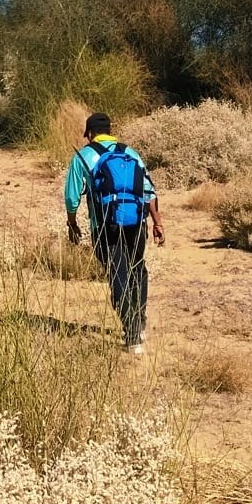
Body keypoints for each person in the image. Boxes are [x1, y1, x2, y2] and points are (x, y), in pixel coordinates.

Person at [64, 112, 166, 355]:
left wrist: (72, 224)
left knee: (117, 274)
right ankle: (139, 322)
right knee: (138, 269)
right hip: (137, 223)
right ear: (110, 130)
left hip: (105, 227)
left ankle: (132, 336)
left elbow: (71, 197)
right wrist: (158, 223)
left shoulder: (83, 156)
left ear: (89, 133)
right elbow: (148, 191)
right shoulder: (130, 153)